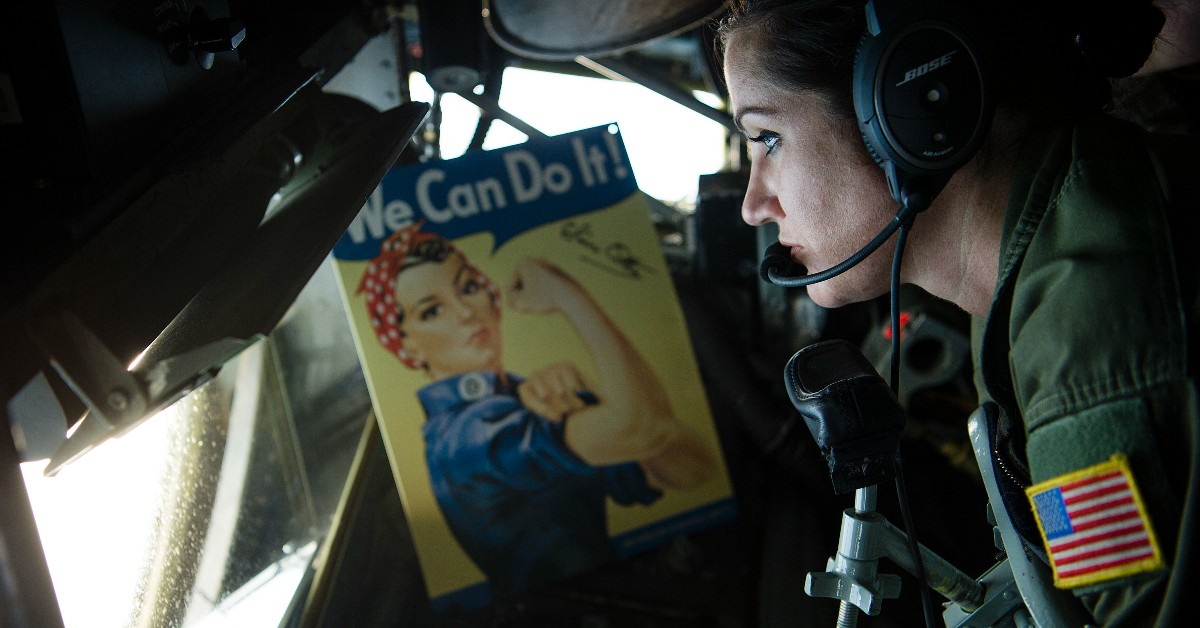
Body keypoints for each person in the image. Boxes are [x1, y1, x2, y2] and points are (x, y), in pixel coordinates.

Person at [718, 0, 1197, 625]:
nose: (754, 205)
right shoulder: (1037, 265)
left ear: (907, 105)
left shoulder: (1085, 324)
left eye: (768, 139)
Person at [356, 222, 716, 599]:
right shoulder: (463, 439)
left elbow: (692, 470)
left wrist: (596, 399)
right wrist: (568, 296)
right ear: (407, 346)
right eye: (431, 311)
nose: (465, 311)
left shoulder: (519, 400)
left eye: (468, 287)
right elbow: (642, 428)